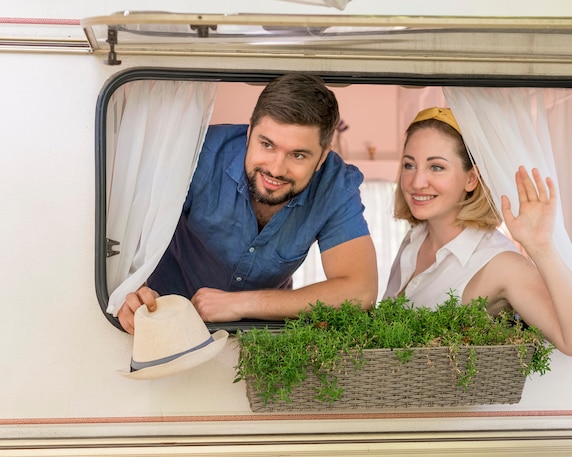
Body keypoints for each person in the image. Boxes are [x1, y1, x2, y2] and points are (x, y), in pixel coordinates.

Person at [118, 73, 378, 334]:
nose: (276, 169)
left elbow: (360, 291)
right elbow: (127, 239)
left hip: (262, 341)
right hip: (162, 323)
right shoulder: (198, 153)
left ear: (322, 157)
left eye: (298, 155)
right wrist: (131, 291)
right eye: (267, 145)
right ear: (250, 130)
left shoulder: (335, 185)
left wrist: (240, 304)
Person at [384, 107, 572, 357]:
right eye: (409, 165)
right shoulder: (414, 238)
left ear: (471, 179)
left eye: (436, 167)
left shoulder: (500, 263)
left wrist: (541, 247)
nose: (416, 182)